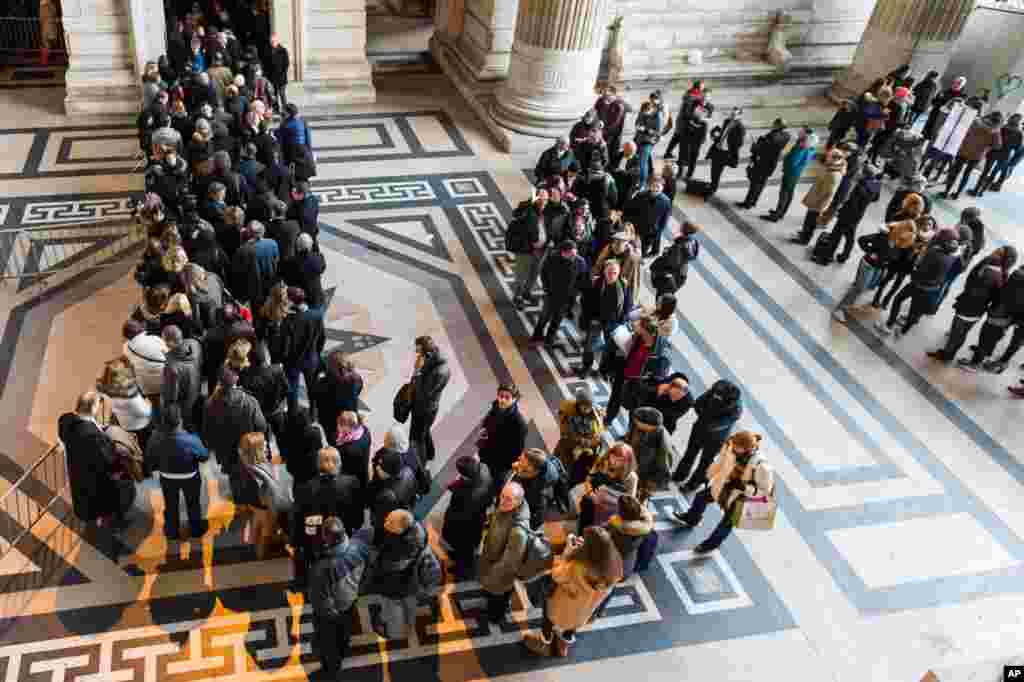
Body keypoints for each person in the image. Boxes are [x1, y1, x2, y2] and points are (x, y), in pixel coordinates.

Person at [522, 526, 623, 658]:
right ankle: (564, 645)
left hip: (562, 605)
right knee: (572, 626)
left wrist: (568, 552)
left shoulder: (578, 566)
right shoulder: (615, 566)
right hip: (585, 609)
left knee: (548, 618)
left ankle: (544, 642)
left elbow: (557, 575)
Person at [672, 431, 774, 553]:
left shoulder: (761, 466)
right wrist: (707, 476)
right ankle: (692, 518)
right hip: (723, 486)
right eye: (734, 445)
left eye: (737, 447)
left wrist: (744, 488)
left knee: (726, 523)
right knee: (701, 497)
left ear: (748, 448)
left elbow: (765, 491)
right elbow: (719, 463)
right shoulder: (730, 446)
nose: (733, 448)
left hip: (740, 497)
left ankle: (710, 545)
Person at [928, 246, 1019, 364]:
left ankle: (946, 355)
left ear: (1004, 259)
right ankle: (950, 354)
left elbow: (972, 284)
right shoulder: (1001, 273)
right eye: (997, 250)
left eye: (999, 253)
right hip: (978, 309)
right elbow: (993, 295)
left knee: (956, 333)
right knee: (961, 333)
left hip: (969, 306)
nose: (994, 252)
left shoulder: (991, 271)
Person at [308, 517, 372, 678]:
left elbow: (320, 601)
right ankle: (343, 650)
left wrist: (328, 615)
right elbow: (369, 571)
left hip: (331, 613)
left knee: (328, 644)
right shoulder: (360, 547)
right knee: (344, 633)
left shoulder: (322, 567)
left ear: (327, 538)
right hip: (351, 601)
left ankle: (331, 671)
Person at [59, 391, 136, 526]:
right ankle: (115, 522)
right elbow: (109, 461)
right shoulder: (93, 437)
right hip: (97, 483)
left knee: (87, 501)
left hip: (79, 477)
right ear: (94, 408)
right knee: (125, 488)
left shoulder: (66, 422)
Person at [291, 447, 363, 589]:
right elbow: (357, 514)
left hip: (316, 539)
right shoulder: (352, 483)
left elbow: (298, 518)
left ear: (318, 464)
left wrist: (296, 541)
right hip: (343, 534)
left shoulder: (305, 488)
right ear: (339, 463)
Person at [875, 227, 962, 338]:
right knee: (914, 312)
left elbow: (921, 269)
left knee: (898, 299)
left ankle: (888, 325)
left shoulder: (934, 253)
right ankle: (902, 332)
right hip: (931, 289)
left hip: (917, 285)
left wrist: (914, 270)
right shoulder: (952, 257)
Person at [832, 219, 917, 324]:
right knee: (859, 288)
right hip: (868, 265)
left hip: (878, 268)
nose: (905, 240)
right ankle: (839, 309)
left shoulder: (899, 243)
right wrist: (870, 251)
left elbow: (895, 257)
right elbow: (862, 239)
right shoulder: (884, 236)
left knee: (863, 288)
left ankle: (847, 305)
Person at [203, 368, 267, 501]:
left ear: (220, 383)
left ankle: (239, 499)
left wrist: (212, 446)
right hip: (247, 448)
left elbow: (207, 432)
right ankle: (253, 498)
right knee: (250, 472)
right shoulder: (250, 401)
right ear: (236, 381)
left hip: (226, 451)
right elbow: (261, 426)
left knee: (233, 476)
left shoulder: (210, 404)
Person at [146, 404, 209, 540]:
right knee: (193, 503)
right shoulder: (192, 439)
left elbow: (150, 460)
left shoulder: (154, 439)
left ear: (163, 421)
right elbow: (204, 457)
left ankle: (171, 531)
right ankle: (196, 529)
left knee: (170, 505)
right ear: (180, 421)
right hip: (190, 477)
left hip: (167, 477)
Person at [368, 510, 431, 639]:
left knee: (393, 608)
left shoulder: (398, 546)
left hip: (395, 585)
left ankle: (394, 633)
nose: (387, 525)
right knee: (409, 605)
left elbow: (386, 566)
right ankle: (408, 626)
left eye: (390, 524)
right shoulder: (419, 529)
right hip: (413, 581)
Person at [672, 379, 743, 493]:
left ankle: (692, 485)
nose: (716, 396)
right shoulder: (716, 390)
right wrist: (703, 415)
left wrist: (705, 417)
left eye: (719, 396)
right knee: (690, 453)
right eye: (715, 394)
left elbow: (719, 424)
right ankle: (679, 475)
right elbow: (698, 403)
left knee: (705, 463)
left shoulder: (736, 408)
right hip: (700, 428)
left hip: (716, 439)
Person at [478, 481, 530, 624]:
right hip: (491, 561)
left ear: (518, 502)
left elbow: (509, 563)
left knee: (498, 598)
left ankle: (495, 617)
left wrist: (490, 576)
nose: (502, 501)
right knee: (493, 595)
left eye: (508, 499)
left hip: (500, 573)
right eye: (502, 496)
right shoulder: (506, 507)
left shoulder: (519, 531)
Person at [441, 454, 493, 577]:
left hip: (464, 528)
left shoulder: (464, 494)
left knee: (464, 551)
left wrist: (448, 521)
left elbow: (456, 515)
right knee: (470, 547)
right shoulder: (484, 468)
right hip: (479, 518)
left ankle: (462, 571)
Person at [578, 259, 630, 378]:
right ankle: (586, 367)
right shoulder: (596, 282)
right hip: (596, 320)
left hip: (612, 323)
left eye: (615, 273)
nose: (611, 275)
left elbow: (627, 305)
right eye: (609, 272)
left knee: (608, 349)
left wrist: (621, 321)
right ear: (604, 271)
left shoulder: (623, 286)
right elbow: (586, 300)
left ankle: (603, 370)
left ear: (619, 273)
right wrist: (589, 318)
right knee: (589, 345)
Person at [476, 382, 529, 496]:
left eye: (507, 397)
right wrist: (485, 429)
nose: (502, 400)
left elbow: (517, 450)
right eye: (500, 396)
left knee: (496, 486)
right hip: (487, 453)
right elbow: (489, 420)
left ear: (514, 399)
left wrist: (505, 464)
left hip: (501, 463)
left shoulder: (519, 423)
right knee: (483, 475)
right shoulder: (496, 407)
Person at [531, 240, 586, 346]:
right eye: (571, 254)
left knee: (558, 318)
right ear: (563, 252)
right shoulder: (552, 258)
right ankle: (537, 336)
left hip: (567, 297)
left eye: (575, 253)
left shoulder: (580, 262)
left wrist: (575, 293)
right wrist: (546, 287)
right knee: (545, 316)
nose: (574, 256)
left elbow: (582, 280)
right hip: (551, 294)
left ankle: (549, 338)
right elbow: (544, 272)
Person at [939, 110, 1003, 200]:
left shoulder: (976, 122)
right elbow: (997, 146)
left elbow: (965, 131)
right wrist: (988, 146)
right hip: (978, 154)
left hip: (964, 149)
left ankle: (946, 192)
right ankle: (957, 194)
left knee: (955, 171)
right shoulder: (996, 131)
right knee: (967, 174)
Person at [96, 357, 154, 454]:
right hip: (142, 428)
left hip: (125, 426)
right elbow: (146, 412)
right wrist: (150, 404)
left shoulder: (105, 392)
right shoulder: (130, 395)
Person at [577, 442, 638, 532]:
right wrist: (591, 494)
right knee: (586, 505)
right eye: (613, 456)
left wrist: (605, 502)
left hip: (612, 509)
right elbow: (588, 480)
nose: (614, 462)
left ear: (627, 462)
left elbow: (629, 502)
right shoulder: (602, 462)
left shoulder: (631, 477)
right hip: (592, 501)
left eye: (620, 460)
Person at [554, 385, 606, 487]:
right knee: (561, 463)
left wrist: (593, 443)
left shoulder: (595, 414)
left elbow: (598, 432)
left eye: (590, 406)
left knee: (579, 472)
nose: (588, 409)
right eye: (585, 406)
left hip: (587, 451)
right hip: (570, 446)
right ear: (579, 404)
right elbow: (568, 433)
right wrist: (584, 442)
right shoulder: (571, 414)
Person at [829, 162, 883, 263]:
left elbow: (853, 201)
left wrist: (842, 211)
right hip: (858, 215)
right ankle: (845, 255)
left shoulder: (862, 185)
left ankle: (828, 255)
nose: (860, 173)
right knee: (849, 236)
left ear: (865, 174)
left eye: (862, 172)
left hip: (849, 214)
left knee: (836, 234)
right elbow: (875, 198)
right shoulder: (875, 184)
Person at [792, 148, 847, 245]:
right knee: (809, 218)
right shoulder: (832, 167)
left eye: (828, 156)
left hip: (818, 202)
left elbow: (828, 192)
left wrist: (816, 202)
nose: (826, 157)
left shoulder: (833, 174)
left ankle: (805, 239)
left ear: (834, 159)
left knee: (811, 221)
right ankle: (804, 233)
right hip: (816, 197)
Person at [409, 335, 450, 463]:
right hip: (428, 406)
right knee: (424, 431)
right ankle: (430, 453)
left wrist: (417, 370)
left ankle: (421, 462)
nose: (416, 352)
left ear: (424, 350)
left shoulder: (438, 371)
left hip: (424, 408)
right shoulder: (433, 360)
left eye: (418, 349)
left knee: (417, 438)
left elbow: (423, 391)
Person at [312, 351, 365, 446]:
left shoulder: (323, 384)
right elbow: (358, 390)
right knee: (349, 440)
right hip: (350, 418)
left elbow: (317, 399)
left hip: (331, 423)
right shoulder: (356, 379)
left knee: (335, 443)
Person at [738, 118, 791, 210]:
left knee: (754, 183)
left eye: (774, 124)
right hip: (771, 164)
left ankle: (748, 203)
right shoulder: (786, 136)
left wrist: (755, 145)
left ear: (777, 125)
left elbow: (762, 149)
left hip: (761, 162)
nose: (772, 125)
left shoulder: (772, 136)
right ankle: (754, 201)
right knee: (761, 183)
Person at [764, 128, 815, 222]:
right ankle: (781, 212)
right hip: (796, 173)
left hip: (791, 173)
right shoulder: (810, 146)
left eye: (801, 132)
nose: (799, 133)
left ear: (805, 135)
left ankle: (776, 215)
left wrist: (786, 160)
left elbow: (793, 161)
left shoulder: (801, 147)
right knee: (789, 193)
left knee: (784, 194)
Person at [513, 447, 570, 530]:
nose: (518, 459)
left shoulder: (539, 493)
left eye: (521, 460)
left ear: (530, 468)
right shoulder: (537, 465)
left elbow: (535, 518)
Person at [511, 189, 550, 308]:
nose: (543, 201)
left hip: (542, 250)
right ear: (535, 198)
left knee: (534, 273)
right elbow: (516, 213)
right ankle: (517, 296)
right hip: (525, 249)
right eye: (540, 198)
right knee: (521, 274)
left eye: (545, 199)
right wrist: (530, 202)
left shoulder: (548, 211)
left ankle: (527, 292)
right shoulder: (527, 209)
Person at [161, 325, 203, 432]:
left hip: (183, 402)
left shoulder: (171, 366)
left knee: (187, 423)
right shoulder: (195, 344)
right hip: (197, 389)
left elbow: (171, 396)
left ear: (170, 342)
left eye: (164, 340)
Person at [366, 445, 417, 532]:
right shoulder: (408, 471)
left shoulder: (387, 495)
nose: (377, 468)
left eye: (381, 468)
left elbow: (379, 517)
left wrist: (374, 522)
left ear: (389, 473)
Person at [971, 113, 1023, 197]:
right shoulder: (1018, 132)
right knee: (992, 173)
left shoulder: (1003, 127)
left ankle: (976, 190)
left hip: (995, 151)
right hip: (1004, 155)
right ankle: (980, 191)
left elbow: (993, 138)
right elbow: (1018, 148)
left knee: (986, 172)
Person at [605, 494, 656, 578]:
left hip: (617, 572)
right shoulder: (645, 527)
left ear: (621, 512)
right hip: (629, 565)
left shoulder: (617, 531)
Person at [628, 372, 693, 434]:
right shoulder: (657, 382)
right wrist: (656, 390)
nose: (677, 396)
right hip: (639, 418)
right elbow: (634, 387)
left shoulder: (687, 401)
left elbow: (666, 415)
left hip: (659, 428)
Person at [623, 177, 672, 258]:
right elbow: (630, 209)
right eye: (653, 186)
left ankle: (640, 259)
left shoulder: (666, 201)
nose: (655, 188)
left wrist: (658, 231)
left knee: (644, 249)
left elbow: (665, 218)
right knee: (632, 245)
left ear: (662, 187)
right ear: (649, 186)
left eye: (658, 186)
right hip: (636, 227)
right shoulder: (641, 195)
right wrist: (628, 221)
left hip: (650, 231)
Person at [650, 221, 701, 298]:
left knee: (661, 296)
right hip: (682, 273)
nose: (680, 226)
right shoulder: (693, 242)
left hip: (672, 275)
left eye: (682, 225)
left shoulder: (680, 245)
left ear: (685, 229)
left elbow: (673, 262)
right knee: (667, 297)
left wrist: (666, 253)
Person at [705, 107, 746, 195]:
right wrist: (716, 137)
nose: (732, 115)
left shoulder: (740, 127)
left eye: (734, 114)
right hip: (717, 149)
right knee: (713, 169)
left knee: (718, 171)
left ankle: (713, 188)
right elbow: (722, 133)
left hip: (725, 152)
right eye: (732, 114)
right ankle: (712, 185)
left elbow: (740, 143)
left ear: (739, 116)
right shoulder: (727, 121)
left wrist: (729, 145)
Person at [280, 232, 326, 310]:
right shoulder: (318, 258)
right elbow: (322, 268)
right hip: (315, 297)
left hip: (298, 300)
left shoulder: (290, 262)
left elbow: (284, 277)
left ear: (297, 246)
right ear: (311, 245)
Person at [334, 411, 372, 495]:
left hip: (351, 482)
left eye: (340, 425)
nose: (337, 428)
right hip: (363, 474)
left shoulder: (348, 449)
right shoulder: (364, 430)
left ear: (348, 427)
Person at [633, 93, 665, 190]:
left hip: (648, 141)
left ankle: (642, 183)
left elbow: (658, 133)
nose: (645, 113)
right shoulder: (642, 111)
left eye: (647, 112)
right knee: (641, 160)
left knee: (643, 162)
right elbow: (637, 122)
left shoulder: (657, 116)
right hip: (639, 139)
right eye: (643, 112)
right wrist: (638, 126)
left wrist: (645, 129)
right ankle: (646, 175)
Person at [594, 86, 626, 166]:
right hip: (601, 132)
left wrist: (602, 132)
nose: (605, 97)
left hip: (613, 135)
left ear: (613, 95)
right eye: (604, 95)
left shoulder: (619, 105)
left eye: (607, 95)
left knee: (610, 155)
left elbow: (615, 124)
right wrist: (598, 122)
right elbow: (595, 112)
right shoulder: (601, 100)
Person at [267, 33, 291, 111]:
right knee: (274, 94)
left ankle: (285, 109)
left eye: (273, 41)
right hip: (272, 77)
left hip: (281, 77)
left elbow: (286, 63)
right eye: (271, 41)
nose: (272, 43)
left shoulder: (283, 50)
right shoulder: (269, 50)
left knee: (282, 94)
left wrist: (282, 73)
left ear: (277, 41)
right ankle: (276, 109)